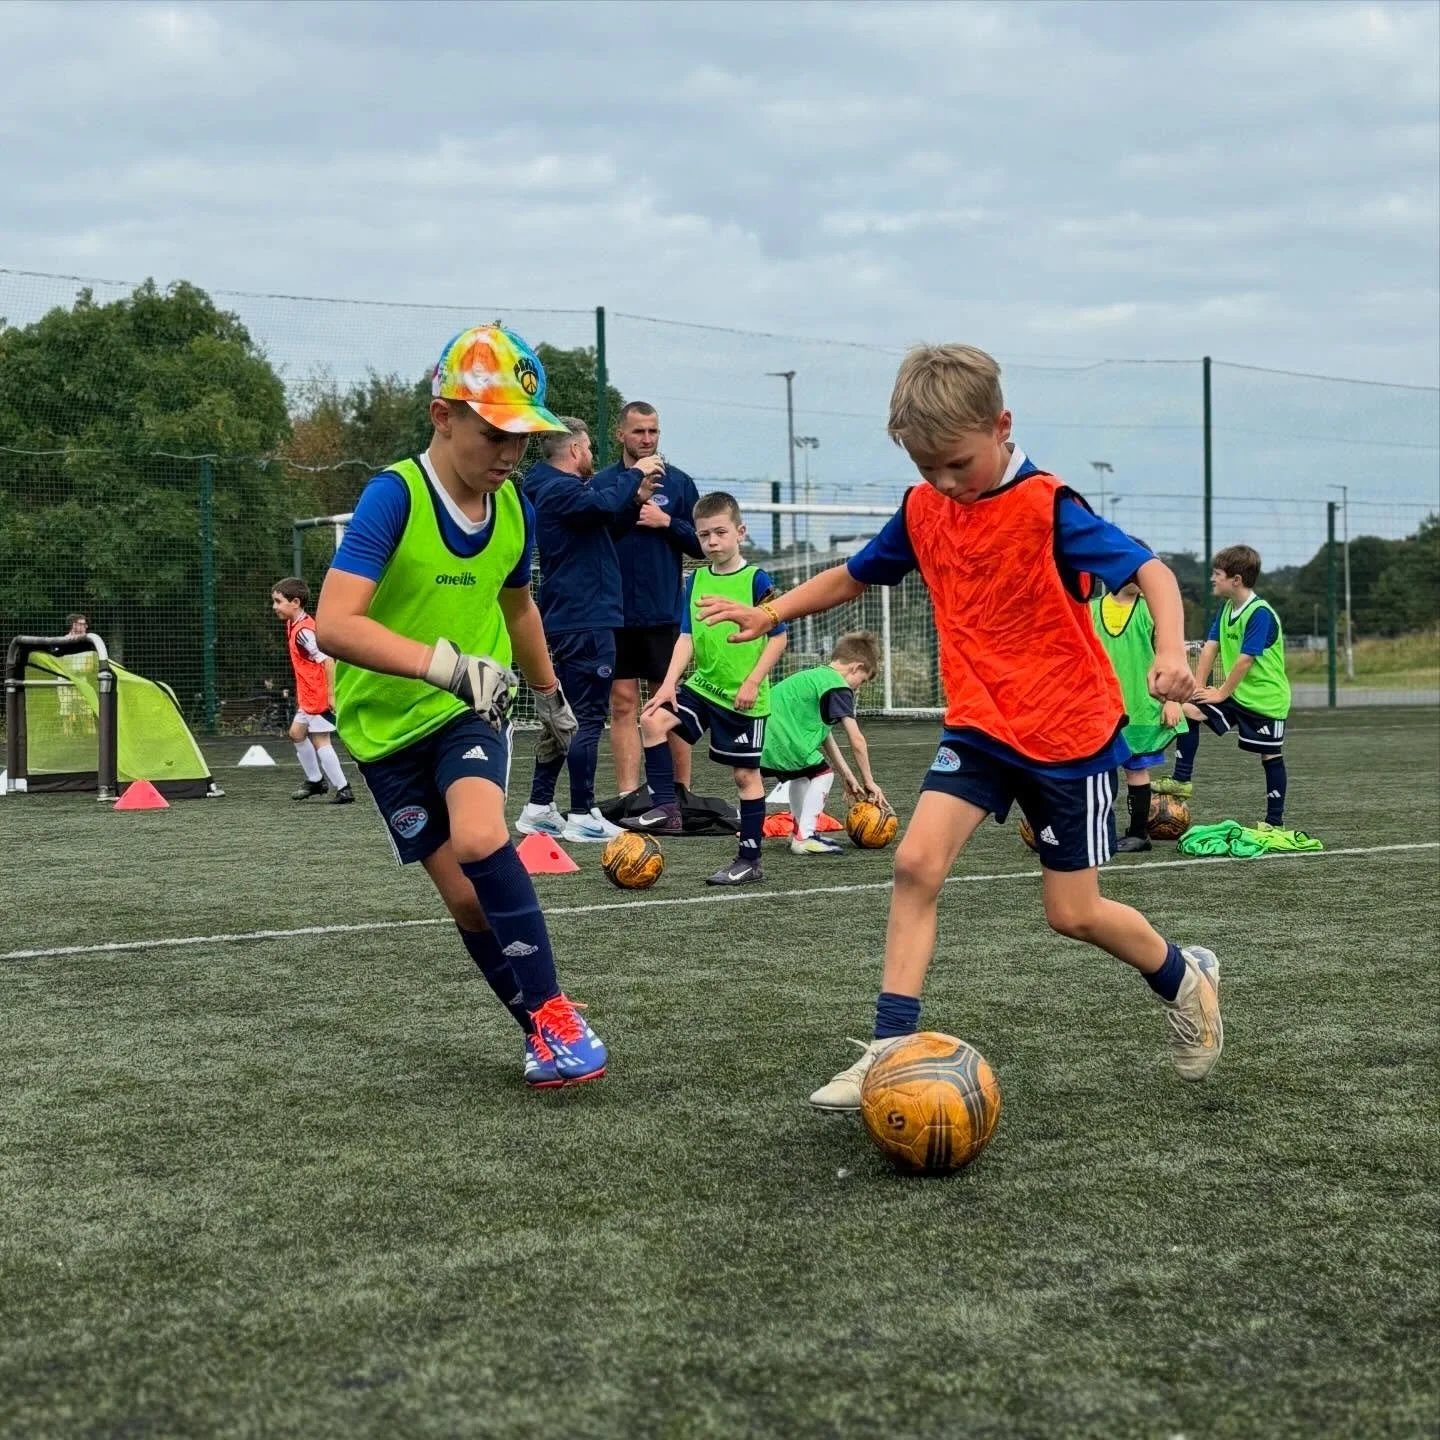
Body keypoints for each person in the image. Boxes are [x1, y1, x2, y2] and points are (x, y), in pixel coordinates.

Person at [699, 344, 1222, 1109]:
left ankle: (1185, 976)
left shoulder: (1049, 506)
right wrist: (770, 610)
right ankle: (887, 1051)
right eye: (924, 468)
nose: (943, 483)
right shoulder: (923, 511)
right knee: (914, 864)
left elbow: (1152, 572)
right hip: (978, 726)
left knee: (1071, 914)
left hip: (1066, 735)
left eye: (956, 464)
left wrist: (1171, 652)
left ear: (1001, 427)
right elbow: (855, 574)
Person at [315, 324, 604, 1089]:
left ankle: (553, 1015)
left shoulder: (515, 510)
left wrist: (548, 695)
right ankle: (539, 1032)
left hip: (471, 709)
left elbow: (517, 610)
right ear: (443, 416)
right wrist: (441, 665)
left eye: (522, 436)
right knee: (469, 905)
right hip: (382, 729)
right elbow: (335, 624)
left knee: (482, 838)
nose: (509, 454)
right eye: (494, 432)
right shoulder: (394, 496)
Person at [622, 492, 788, 887]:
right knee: (652, 719)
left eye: (720, 533)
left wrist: (752, 681)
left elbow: (779, 637)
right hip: (704, 687)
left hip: (743, 699)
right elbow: (687, 637)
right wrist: (667, 685)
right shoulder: (695, 579)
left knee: (745, 779)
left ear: (739, 533)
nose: (712, 542)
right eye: (704, 535)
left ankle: (749, 859)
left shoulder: (757, 580)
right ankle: (666, 806)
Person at [516, 417, 660, 842]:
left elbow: (602, 523)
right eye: (590, 451)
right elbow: (599, 507)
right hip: (585, 619)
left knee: (563, 718)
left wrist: (633, 500)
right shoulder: (560, 489)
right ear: (576, 450)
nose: (593, 459)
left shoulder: (552, 490)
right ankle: (583, 812)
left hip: (571, 618)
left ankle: (539, 807)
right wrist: (636, 472)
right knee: (586, 719)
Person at [596, 402, 703, 799]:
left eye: (653, 431)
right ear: (620, 434)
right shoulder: (604, 484)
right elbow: (591, 536)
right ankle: (628, 795)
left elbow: (704, 543)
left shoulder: (679, 485)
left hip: (664, 612)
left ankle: (679, 792)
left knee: (667, 700)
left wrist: (668, 524)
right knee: (622, 704)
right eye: (639, 431)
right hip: (615, 611)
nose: (647, 439)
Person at [1156, 545, 1293, 830]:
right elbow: (1210, 649)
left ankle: (1274, 823)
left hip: (1264, 699)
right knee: (1188, 710)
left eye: (1217, 574)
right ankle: (1182, 780)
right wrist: (1197, 686)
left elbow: (1244, 661)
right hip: (1234, 692)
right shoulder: (1227, 609)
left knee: (1270, 755)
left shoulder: (1260, 613)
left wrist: (1220, 693)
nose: (1212, 579)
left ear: (1236, 579)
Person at [760, 632, 885, 855]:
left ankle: (798, 833)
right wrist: (869, 781)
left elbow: (824, 735)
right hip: (781, 739)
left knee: (803, 774)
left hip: (763, 738)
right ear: (856, 667)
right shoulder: (838, 686)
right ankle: (805, 837)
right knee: (823, 774)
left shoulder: (818, 676)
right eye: (863, 681)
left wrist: (848, 775)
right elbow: (856, 740)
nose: (859, 688)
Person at [1090, 568, 1187, 852]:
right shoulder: (1091, 610)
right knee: (1097, 773)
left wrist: (1171, 700)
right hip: (1100, 707)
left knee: (1136, 770)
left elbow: (1170, 657)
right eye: (1136, 572)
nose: (1143, 581)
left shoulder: (1150, 612)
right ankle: (1099, 832)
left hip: (1142, 708)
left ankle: (1138, 833)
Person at [271, 578, 354, 804]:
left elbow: (328, 660)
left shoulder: (303, 632)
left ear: (295, 602)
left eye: (278, 601)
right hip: (308, 695)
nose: (274, 606)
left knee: (320, 740)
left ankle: (344, 788)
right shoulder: (294, 624)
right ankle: (316, 780)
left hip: (317, 696)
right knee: (296, 734)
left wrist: (330, 695)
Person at [57, 612, 95, 737]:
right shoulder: (63, 642)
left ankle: (89, 738)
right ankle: (67, 738)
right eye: (83, 624)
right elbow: (60, 666)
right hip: (65, 684)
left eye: (85, 625)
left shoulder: (88, 643)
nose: (86, 627)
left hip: (81, 683)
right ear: (74, 625)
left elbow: (89, 667)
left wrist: (75, 672)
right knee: (67, 714)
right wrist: (73, 672)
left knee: (87, 713)